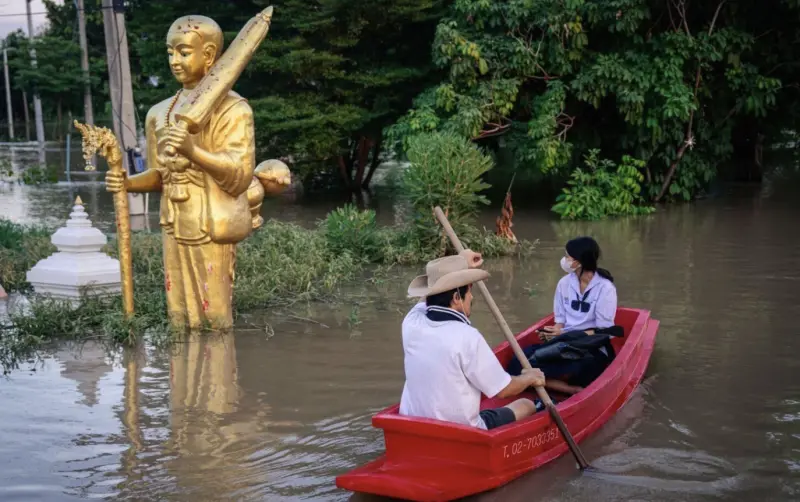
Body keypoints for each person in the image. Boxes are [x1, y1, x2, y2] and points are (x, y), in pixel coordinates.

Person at [104, 15, 289, 330]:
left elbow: (240, 176)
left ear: (210, 55)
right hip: (173, 223)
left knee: (214, 318)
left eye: (183, 52)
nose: (174, 61)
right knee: (179, 317)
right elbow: (159, 176)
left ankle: (219, 378)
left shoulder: (234, 109)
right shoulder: (158, 113)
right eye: (169, 52)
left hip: (210, 224)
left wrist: (194, 152)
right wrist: (127, 183)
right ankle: (183, 379)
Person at [399, 250, 547, 431]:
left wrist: (461, 262)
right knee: (525, 403)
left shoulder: (412, 321)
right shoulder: (467, 336)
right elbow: (504, 390)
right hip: (462, 430)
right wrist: (528, 378)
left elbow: (427, 298)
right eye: (469, 291)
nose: (472, 297)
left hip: (411, 424)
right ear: (456, 298)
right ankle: (539, 409)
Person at [508, 236, 618, 393]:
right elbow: (560, 321)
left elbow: (605, 332)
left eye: (568, 256)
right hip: (563, 342)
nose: (564, 260)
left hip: (590, 345)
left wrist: (564, 333)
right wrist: (553, 333)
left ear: (579, 261)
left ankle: (548, 383)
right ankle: (570, 389)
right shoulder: (564, 283)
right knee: (518, 362)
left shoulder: (605, 288)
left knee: (585, 369)